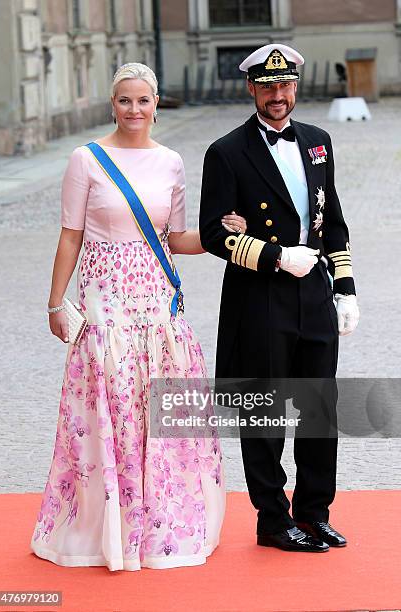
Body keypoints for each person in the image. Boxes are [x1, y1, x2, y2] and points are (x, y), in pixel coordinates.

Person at [30, 62, 247, 571]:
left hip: (156, 303)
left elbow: (175, 240)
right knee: (115, 411)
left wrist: (220, 232)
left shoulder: (171, 162)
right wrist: (57, 303)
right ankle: (108, 527)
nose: (134, 110)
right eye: (125, 101)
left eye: (143, 100)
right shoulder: (86, 159)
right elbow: (70, 235)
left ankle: (159, 525)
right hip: (106, 304)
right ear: (113, 104)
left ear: (156, 103)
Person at [199, 44, 360, 553]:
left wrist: (346, 288)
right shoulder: (226, 151)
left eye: (285, 86)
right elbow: (211, 233)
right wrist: (272, 255)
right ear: (251, 89)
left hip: (313, 290)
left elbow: (330, 218)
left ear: (295, 87)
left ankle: (315, 513)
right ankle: (272, 519)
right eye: (267, 87)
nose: (278, 96)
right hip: (260, 295)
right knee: (265, 414)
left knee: (318, 409)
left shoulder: (318, 141)